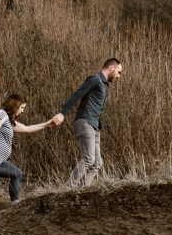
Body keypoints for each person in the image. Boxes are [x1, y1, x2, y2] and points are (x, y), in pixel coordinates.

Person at [0, 94, 60, 222]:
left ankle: (15, 205)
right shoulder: (1, 114)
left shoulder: (9, 120)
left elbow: (27, 128)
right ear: (15, 105)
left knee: (16, 173)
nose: (22, 111)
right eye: (22, 107)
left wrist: (47, 124)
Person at [52, 58, 124, 188]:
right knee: (89, 159)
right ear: (111, 68)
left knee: (97, 163)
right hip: (85, 122)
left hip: (95, 126)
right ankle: (67, 189)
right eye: (119, 72)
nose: (119, 76)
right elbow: (77, 94)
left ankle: (83, 191)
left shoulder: (104, 84)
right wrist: (63, 113)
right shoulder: (95, 79)